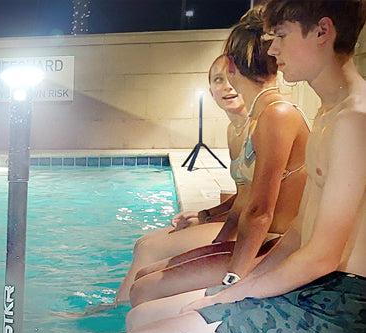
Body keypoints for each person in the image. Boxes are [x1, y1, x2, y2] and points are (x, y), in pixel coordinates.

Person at [117, 0, 366, 333]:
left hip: (344, 303)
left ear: (323, 32)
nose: (272, 52)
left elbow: (322, 255)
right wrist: (231, 288)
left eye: (282, 36)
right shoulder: (328, 116)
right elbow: (299, 234)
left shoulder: (353, 123)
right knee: (139, 320)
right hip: (320, 287)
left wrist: (239, 291)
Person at [127, 6, 310, 313]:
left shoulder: (277, 115)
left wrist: (233, 280)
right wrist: (215, 242)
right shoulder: (259, 117)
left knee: (145, 289)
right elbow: (245, 204)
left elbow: (260, 212)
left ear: (230, 65)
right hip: (262, 242)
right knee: (145, 278)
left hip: (276, 248)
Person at [116, 56, 249, 303]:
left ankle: (116, 314)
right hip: (240, 223)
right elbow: (244, 194)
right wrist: (206, 215)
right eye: (219, 80)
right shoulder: (234, 131)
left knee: (149, 249)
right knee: (143, 243)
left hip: (257, 232)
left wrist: (215, 238)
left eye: (233, 77)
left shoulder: (261, 125)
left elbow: (261, 205)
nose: (228, 86)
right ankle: (118, 308)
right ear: (210, 90)